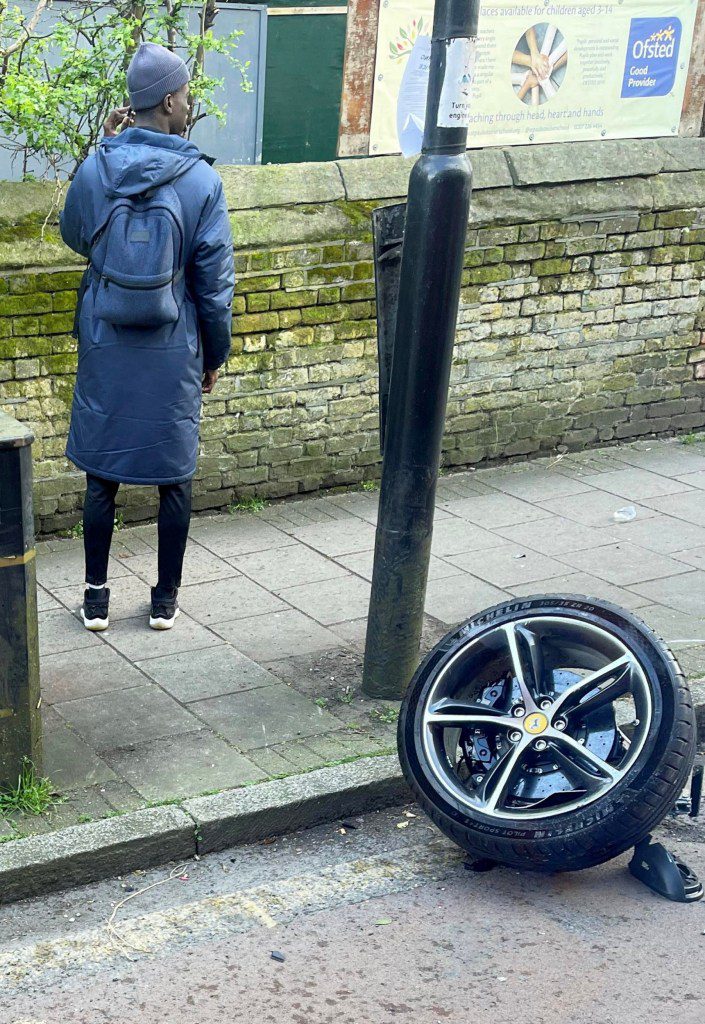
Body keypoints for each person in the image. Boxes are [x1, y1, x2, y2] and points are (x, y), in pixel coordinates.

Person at [60, 41, 234, 632]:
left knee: (102, 476)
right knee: (174, 478)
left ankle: (95, 599)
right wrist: (214, 355)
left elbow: (77, 235)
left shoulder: (97, 167)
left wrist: (103, 150)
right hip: (172, 349)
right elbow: (214, 287)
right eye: (186, 94)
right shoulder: (202, 182)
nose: (190, 103)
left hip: (107, 344)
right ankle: (163, 601)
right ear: (167, 100)